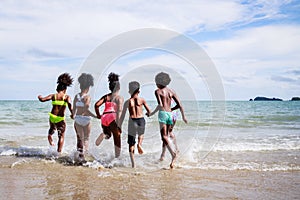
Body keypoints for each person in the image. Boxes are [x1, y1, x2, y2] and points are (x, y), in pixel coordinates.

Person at [149, 72, 187, 169]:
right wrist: (173, 111)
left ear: (159, 82)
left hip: (163, 114)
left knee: (164, 137)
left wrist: (151, 113)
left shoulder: (157, 91)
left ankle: (173, 154)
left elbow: (160, 105)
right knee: (166, 135)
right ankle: (162, 156)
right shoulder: (171, 91)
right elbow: (179, 105)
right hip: (170, 115)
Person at [38, 73, 74, 153]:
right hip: (60, 119)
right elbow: (70, 105)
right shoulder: (66, 97)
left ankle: (50, 136)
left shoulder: (53, 96)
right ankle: (58, 152)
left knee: (52, 128)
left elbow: (43, 99)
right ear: (65, 89)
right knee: (61, 136)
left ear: (57, 89)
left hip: (52, 117)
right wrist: (72, 113)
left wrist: (40, 97)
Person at [119, 81, 151, 168]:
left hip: (132, 121)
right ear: (139, 91)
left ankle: (133, 164)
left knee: (131, 144)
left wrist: (119, 126)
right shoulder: (142, 100)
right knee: (141, 134)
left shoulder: (127, 102)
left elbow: (122, 116)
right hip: (141, 120)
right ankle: (140, 144)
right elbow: (149, 111)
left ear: (129, 91)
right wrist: (148, 114)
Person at [94, 72, 124, 158]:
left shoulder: (106, 97)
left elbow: (96, 105)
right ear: (119, 87)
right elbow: (119, 111)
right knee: (117, 138)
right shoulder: (119, 98)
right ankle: (117, 158)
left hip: (104, 117)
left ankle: (104, 134)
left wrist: (99, 115)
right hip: (113, 116)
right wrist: (119, 125)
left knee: (108, 135)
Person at [73, 73, 97, 159]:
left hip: (78, 118)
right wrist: (95, 116)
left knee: (79, 139)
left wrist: (73, 115)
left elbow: (74, 108)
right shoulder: (87, 97)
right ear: (88, 87)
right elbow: (86, 108)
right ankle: (86, 155)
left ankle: (79, 155)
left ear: (80, 86)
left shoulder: (77, 96)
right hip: (86, 119)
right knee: (86, 138)